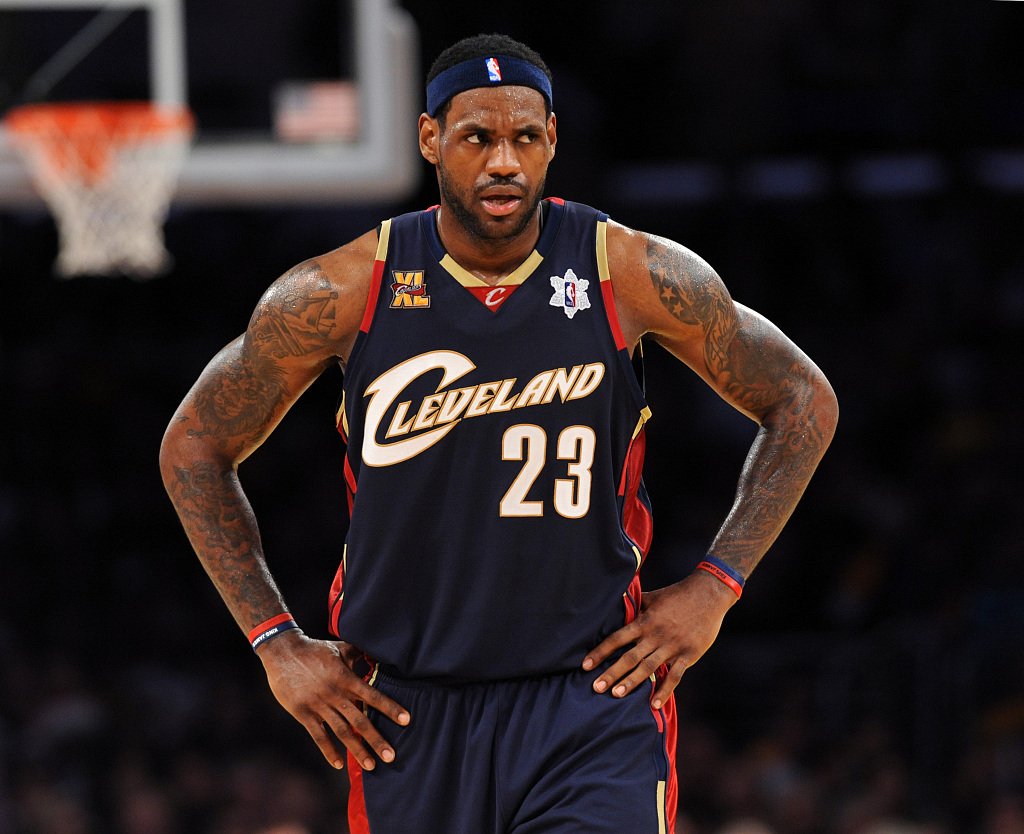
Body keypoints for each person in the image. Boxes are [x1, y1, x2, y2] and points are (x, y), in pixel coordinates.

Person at [160, 32, 838, 834]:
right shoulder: (343, 289)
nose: (504, 162)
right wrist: (275, 641)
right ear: (430, 139)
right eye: (477, 137)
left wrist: (716, 586)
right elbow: (194, 446)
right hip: (405, 712)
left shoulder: (628, 272)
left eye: (524, 137)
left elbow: (803, 398)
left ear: (552, 139)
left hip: (590, 701)